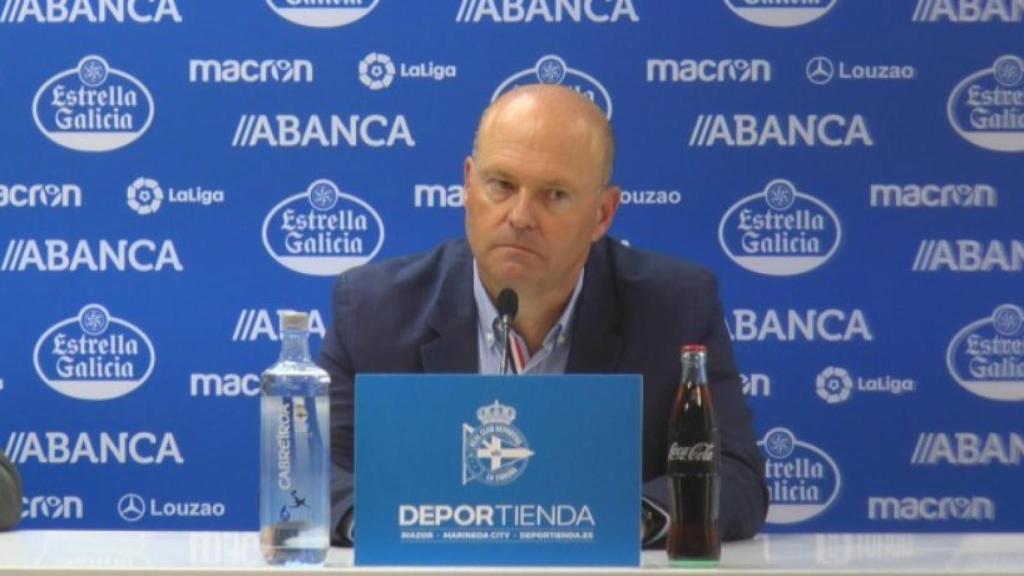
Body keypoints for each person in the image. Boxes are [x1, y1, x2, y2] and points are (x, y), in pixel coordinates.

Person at [319, 84, 767, 547]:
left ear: (602, 214)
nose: (520, 216)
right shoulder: (373, 308)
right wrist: (403, 524)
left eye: (554, 195)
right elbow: (315, 469)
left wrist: (615, 523)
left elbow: (735, 476)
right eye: (501, 185)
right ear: (468, 185)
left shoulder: (675, 308)